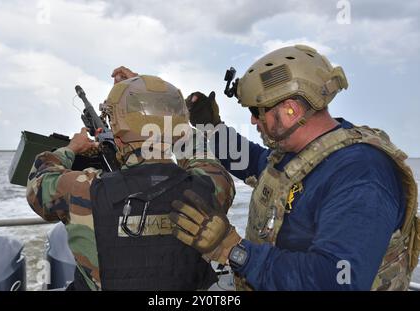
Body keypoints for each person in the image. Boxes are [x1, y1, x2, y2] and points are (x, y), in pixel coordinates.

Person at [168, 44, 420, 290]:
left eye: (257, 110)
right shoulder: (298, 155)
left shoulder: (361, 175)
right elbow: (253, 163)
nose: (253, 119)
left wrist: (232, 249)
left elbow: (338, 281)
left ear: (292, 110)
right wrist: (212, 127)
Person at [26, 72, 235, 290]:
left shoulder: (84, 190)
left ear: (117, 132)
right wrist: (160, 107)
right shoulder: (213, 186)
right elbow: (199, 153)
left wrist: (71, 149)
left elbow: (39, 180)